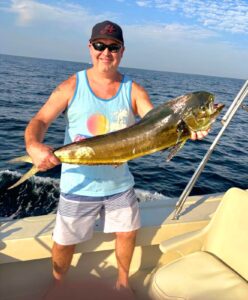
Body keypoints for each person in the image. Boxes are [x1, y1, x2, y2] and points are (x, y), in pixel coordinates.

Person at [24, 20, 209, 291]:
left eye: (113, 47)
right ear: (90, 47)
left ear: (122, 51)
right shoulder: (71, 86)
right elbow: (40, 121)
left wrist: (188, 130)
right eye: (100, 45)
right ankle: (58, 284)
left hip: (119, 185)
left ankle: (123, 284)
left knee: (127, 233)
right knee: (64, 241)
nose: (106, 52)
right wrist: (33, 146)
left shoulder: (134, 90)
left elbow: (156, 126)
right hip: (78, 185)